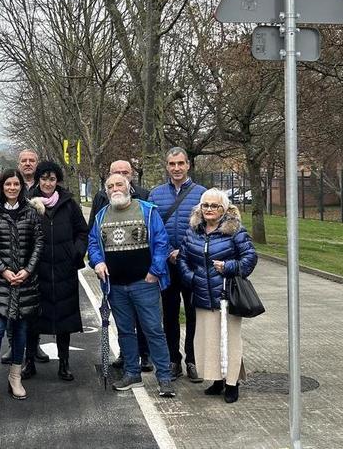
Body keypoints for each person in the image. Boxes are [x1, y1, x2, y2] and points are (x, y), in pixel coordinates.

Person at [88, 173, 175, 397]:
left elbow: (161, 241)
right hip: (115, 286)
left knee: (154, 330)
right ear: (105, 191)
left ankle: (164, 377)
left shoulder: (148, 210)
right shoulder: (100, 216)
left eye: (119, 184)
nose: (115, 188)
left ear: (129, 187)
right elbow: (93, 245)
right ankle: (132, 372)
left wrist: (155, 272)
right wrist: (97, 262)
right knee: (126, 332)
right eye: (110, 186)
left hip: (144, 283)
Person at [177, 188, 257, 403]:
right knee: (207, 340)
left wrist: (229, 266)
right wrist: (192, 278)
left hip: (226, 295)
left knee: (230, 340)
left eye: (214, 206)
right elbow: (183, 259)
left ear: (224, 209)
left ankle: (232, 383)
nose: (209, 210)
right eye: (205, 205)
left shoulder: (235, 230)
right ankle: (216, 380)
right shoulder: (193, 231)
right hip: (202, 294)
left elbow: (250, 257)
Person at [0, 169, 45, 406]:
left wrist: (27, 270)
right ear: (2, 186)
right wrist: (4, 271)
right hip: (0, 282)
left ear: (21, 186)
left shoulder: (31, 211)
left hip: (26, 282)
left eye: (16, 184)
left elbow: (39, 243)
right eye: (8, 184)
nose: (12, 188)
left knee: (21, 331)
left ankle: (15, 377)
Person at [25, 160, 88, 381]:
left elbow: (82, 232)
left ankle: (64, 363)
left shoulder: (69, 204)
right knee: (32, 320)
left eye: (52, 179)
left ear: (57, 180)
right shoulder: (29, 204)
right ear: (38, 179)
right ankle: (29, 361)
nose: (48, 183)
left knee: (64, 321)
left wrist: (76, 252)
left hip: (64, 270)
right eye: (44, 178)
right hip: (36, 272)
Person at [88, 160, 151, 373]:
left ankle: (145, 355)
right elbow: (94, 232)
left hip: (141, 273)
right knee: (123, 320)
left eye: (125, 173)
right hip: (112, 272)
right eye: (116, 173)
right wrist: (96, 262)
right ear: (109, 176)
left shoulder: (143, 195)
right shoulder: (101, 197)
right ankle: (126, 355)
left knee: (144, 319)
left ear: (130, 176)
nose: (120, 177)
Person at [149, 147, 206, 382]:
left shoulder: (202, 194)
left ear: (188, 165)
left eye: (180, 163)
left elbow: (206, 230)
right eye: (172, 164)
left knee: (194, 314)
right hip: (167, 264)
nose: (176, 168)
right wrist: (166, 254)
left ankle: (193, 360)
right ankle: (174, 359)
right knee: (170, 314)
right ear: (167, 166)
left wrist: (184, 251)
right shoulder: (156, 194)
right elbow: (152, 229)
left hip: (192, 263)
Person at [2, 148, 49, 364]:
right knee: (12, 304)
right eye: (24, 160)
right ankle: (13, 346)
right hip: (13, 258)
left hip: (38, 257)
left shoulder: (46, 186)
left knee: (33, 305)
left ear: (37, 162)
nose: (28, 163)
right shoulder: (13, 185)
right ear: (18, 163)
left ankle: (34, 345)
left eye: (32, 160)